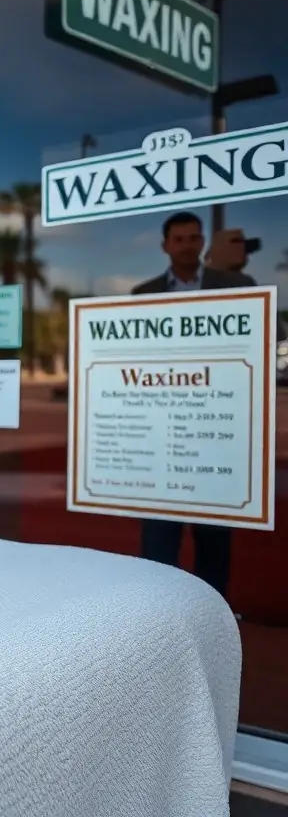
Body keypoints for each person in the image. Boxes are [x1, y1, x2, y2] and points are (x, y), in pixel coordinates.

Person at [129, 211, 250, 604]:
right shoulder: (142, 295)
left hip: (213, 425)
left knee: (214, 534)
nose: (187, 245)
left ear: (203, 244)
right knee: (159, 535)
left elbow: (267, 339)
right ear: (166, 246)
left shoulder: (238, 286)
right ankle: (156, 615)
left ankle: (215, 616)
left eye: (194, 238)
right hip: (162, 432)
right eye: (179, 239)